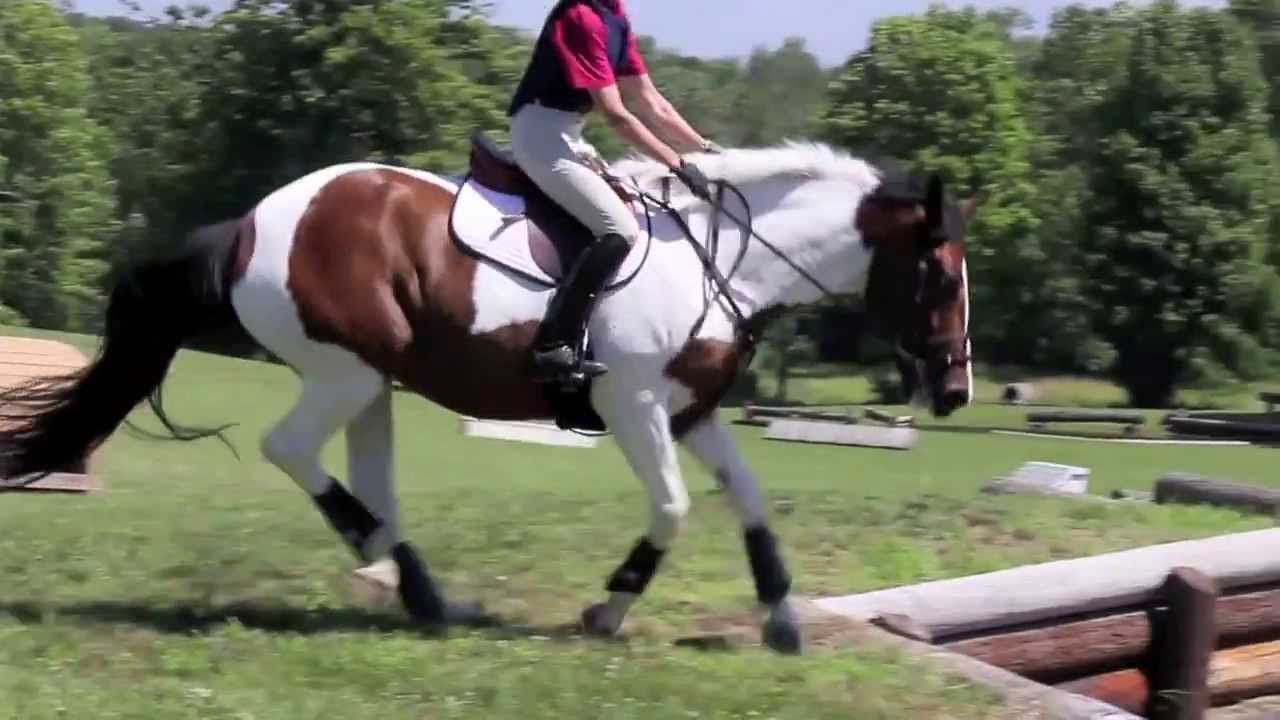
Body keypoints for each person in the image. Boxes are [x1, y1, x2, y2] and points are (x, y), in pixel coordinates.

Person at [508, 0, 719, 384]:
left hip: (569, 134)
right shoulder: (582, 17)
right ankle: (553, 343)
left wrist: (705, 150)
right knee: (619, 229)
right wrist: (676, 163)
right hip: (540, 136)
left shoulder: (615, 15)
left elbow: (651, 101)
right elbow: (617, 115)